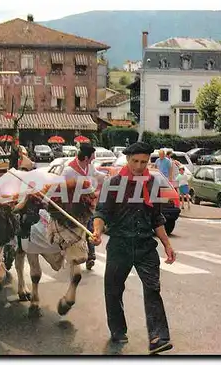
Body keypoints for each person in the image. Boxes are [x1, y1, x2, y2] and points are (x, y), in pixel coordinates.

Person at [91, 141, 176, 355]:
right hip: (119, 245)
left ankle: (159, 337)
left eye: (144, 162)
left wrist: (167, 244)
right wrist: (97, 231)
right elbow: (101, 213)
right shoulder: (113, 183)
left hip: (145, 246)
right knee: (113, 289)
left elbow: (157, 217)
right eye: (135, 161)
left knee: (152, 289)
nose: (139, 166)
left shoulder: (152, 184)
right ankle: (118, 330)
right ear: (128, 160)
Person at [61, 143, 105, 270]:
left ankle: (91, 256)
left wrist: (108, 178)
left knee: (90, 228)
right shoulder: (69, 170)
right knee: (76, 230)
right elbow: (61, 186)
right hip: (73, 205)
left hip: (88, 204)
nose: (93, 159)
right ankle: (70, 253)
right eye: (92, 157)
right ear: (86, 157)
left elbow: (97, 175)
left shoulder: (89, 167)